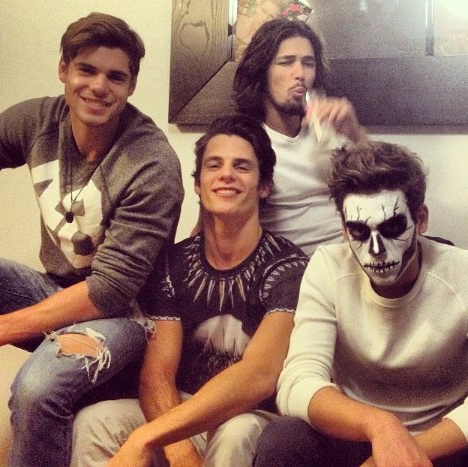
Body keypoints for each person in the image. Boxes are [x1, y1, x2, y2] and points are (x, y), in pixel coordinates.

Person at [0, 12, 183, 467]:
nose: (99, 87)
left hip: (130, 317)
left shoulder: (152, 163)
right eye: (87, 70)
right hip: (56, 290)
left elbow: (109, 291)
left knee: (37, 387)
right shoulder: (38, 121)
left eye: (115, 76)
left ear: (131, 85)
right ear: (63, 69)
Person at [70, 115, 309, 467]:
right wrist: (179, 448)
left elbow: (259, 374)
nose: (226, 174)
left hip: (253, 414)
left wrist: (154, 436)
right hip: (185, 410)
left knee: (236, 431)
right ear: (198, 184)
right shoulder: (172, 263)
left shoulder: (289, 267)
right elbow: (157, 376)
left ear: (264, 187)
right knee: (96, 422)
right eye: (214, 165)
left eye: (242, 166)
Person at [253, 141, 468, 466]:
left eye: (392, 227)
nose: (376, 250)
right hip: (356, 434)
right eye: (358, 231)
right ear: (343, 229)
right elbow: (296, 381)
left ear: (421, 219)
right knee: (284, 438)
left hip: (443, 441)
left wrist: (405, 451)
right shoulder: (328, 267)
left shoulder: (461, 273)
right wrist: (379, 427)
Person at [233, 17, 367, 256]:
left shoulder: (330, 127)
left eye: (308, 63)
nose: (300, 74)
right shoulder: (246, 141)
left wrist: (356, 135)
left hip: (354, 254)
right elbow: (213, 224)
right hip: (288, 266)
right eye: (286, 62)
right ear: (262, 72)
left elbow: (386, 185)